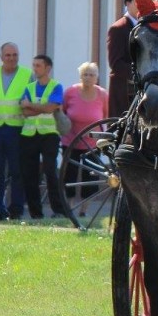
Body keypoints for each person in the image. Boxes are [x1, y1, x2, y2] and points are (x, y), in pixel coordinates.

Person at [0, 42, 32, 222]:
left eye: (15, 55)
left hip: (16, 129)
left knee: (16, 171)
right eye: (8, 55)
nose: (11, 58)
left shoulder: (27, 75)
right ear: (1, 57)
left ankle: (16, 209)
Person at [61, 61, 108, 217]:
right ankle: (69, 208)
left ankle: (83, 210)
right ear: (80, 76)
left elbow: (105, 116)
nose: (88, 78)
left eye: (91, 75)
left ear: (97, 78)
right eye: (85, 74)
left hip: (93, 144)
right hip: (71, 141)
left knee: (90, 178)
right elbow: (63, 113)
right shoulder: (70, 93)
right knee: (70, 175)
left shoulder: (102, 95)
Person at [19, 54, 64, 219]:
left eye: (38, 65)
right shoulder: (29, 87)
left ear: (48, 68)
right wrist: (41, 107)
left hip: (49, 134)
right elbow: (23, 111)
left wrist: (31, 105)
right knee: (30, 174)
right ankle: (35, 213)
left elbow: (50, 108)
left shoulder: (56, 86)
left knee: (50, 171)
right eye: (34, 65)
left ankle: (58, 210)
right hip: (29, 134)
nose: (35, 68)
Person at [107, 0, 139, 117]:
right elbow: (116, 63)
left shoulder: (143, 28)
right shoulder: (118, 28)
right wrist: (139, 73)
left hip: (140, 89)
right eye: (138, 2)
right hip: (124, 91)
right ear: (128, 3)